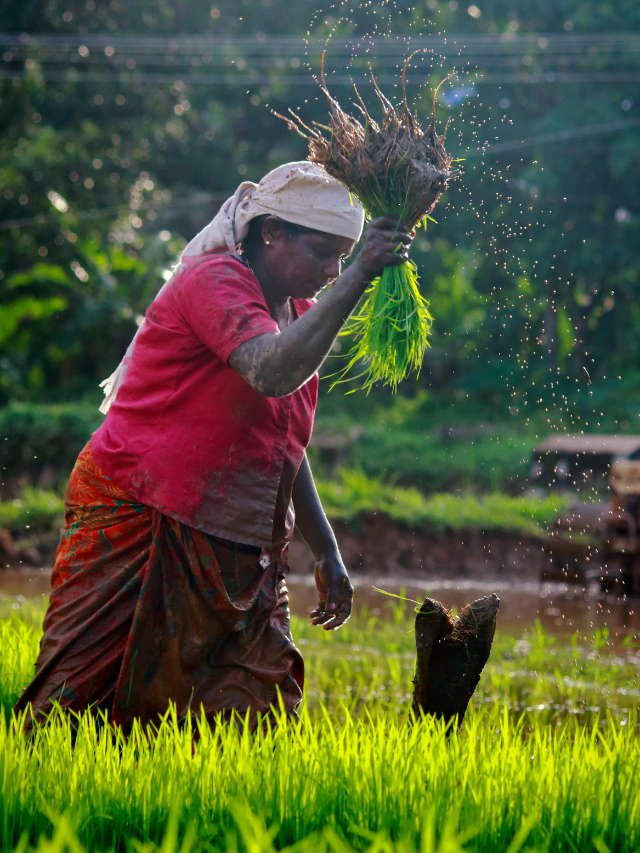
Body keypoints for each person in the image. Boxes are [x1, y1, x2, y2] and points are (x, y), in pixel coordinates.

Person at [15, 161, 414, 732]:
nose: (332, 270)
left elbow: (283, 444)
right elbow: (272, 373)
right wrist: (362, 274)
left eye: (343, 257)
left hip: (240, 538)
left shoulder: (298, 313)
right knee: (80, 696)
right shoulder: (214, 282)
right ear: (270, 232)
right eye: (322, 252)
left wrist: (325, 548)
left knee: (259, 702)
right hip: (141, 507)